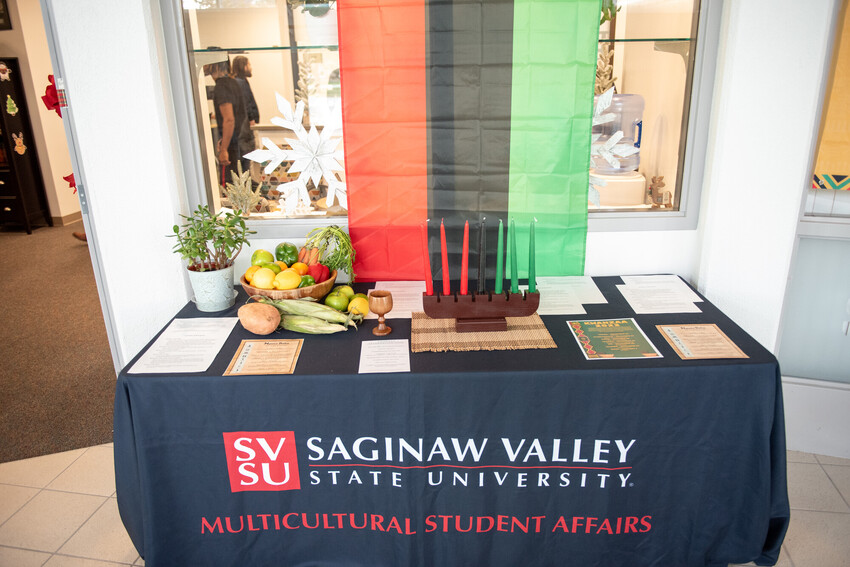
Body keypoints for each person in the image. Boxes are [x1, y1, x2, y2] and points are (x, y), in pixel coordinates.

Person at [205, 60, 247, 185]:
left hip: (233, 147)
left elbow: (229, 119)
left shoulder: (221, 86)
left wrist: (224, 149)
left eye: (207, 63)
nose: (204, 66)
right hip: (241, 142)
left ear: (215, 65)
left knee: (230, 188)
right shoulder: (233, 83)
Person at [231, 56, 259, 157]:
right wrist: (251, 118)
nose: (250, 67)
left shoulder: (239, 81)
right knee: (248, 154)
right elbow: (246, 102)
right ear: (244, 66)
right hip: (245, 126)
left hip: (243, 125)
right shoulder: (240, 82)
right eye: (249, 64)